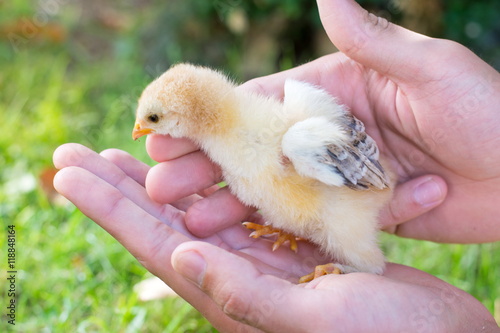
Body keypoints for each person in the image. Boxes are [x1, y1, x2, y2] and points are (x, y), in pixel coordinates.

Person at [53, 0, 500, 331]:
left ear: (184, 115)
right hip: (313, 200)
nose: (142, 129)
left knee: (309, 156)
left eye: (151, 120)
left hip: (342, 207)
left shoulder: (295, 133)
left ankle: (357, 265)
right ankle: (301, 234)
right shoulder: (237, 135)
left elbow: (364, 180)